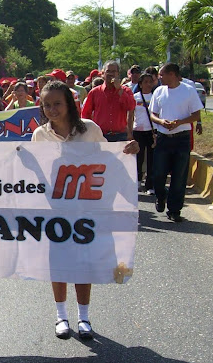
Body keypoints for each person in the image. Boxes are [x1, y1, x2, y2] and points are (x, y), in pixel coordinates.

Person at [31, 80, 139, 340]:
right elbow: (36, 171)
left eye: (57, 103)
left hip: (87, 209)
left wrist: (128, 151)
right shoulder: (40, 135)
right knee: (58, 264)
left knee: (83, 263)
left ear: (69, 103)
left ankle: (84, 318)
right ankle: (61, 317)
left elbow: (108, 160)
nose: (52, 109)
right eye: (47, 105)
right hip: (55, 209)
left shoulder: (90, 130)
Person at [149, 63, 203, 223]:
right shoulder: (159, 91)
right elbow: (153, 114)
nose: (159, 77)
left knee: (179, 176)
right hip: (164, 138)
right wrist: (161, 121)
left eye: (162, 74)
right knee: (158, 174)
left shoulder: (188, 90)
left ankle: (174, 210)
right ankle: (161, 195)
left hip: (181, 138)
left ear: (172, 74)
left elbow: (196, 115)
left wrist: (180, 122)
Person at [81, 60, 136, 142]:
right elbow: (85, 114)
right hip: (100, 135)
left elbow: (131, 106)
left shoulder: (125, 91)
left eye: (113, 71)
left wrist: (119, 90)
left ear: (118, 74)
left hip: (120, 135)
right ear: (103, 74)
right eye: (108, 71)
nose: (110, 74)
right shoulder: (95, 92)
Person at [132, 72, 157, 195]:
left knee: (151, 159)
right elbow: (130, 115)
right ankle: (137, 181)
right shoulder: (134, 97)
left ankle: (150, 185)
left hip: (151, 131)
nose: (148, 84)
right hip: (138, 131)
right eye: (145, 82)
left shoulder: (155, 97)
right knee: (139, 157)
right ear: (140, 84)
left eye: (150, 82)